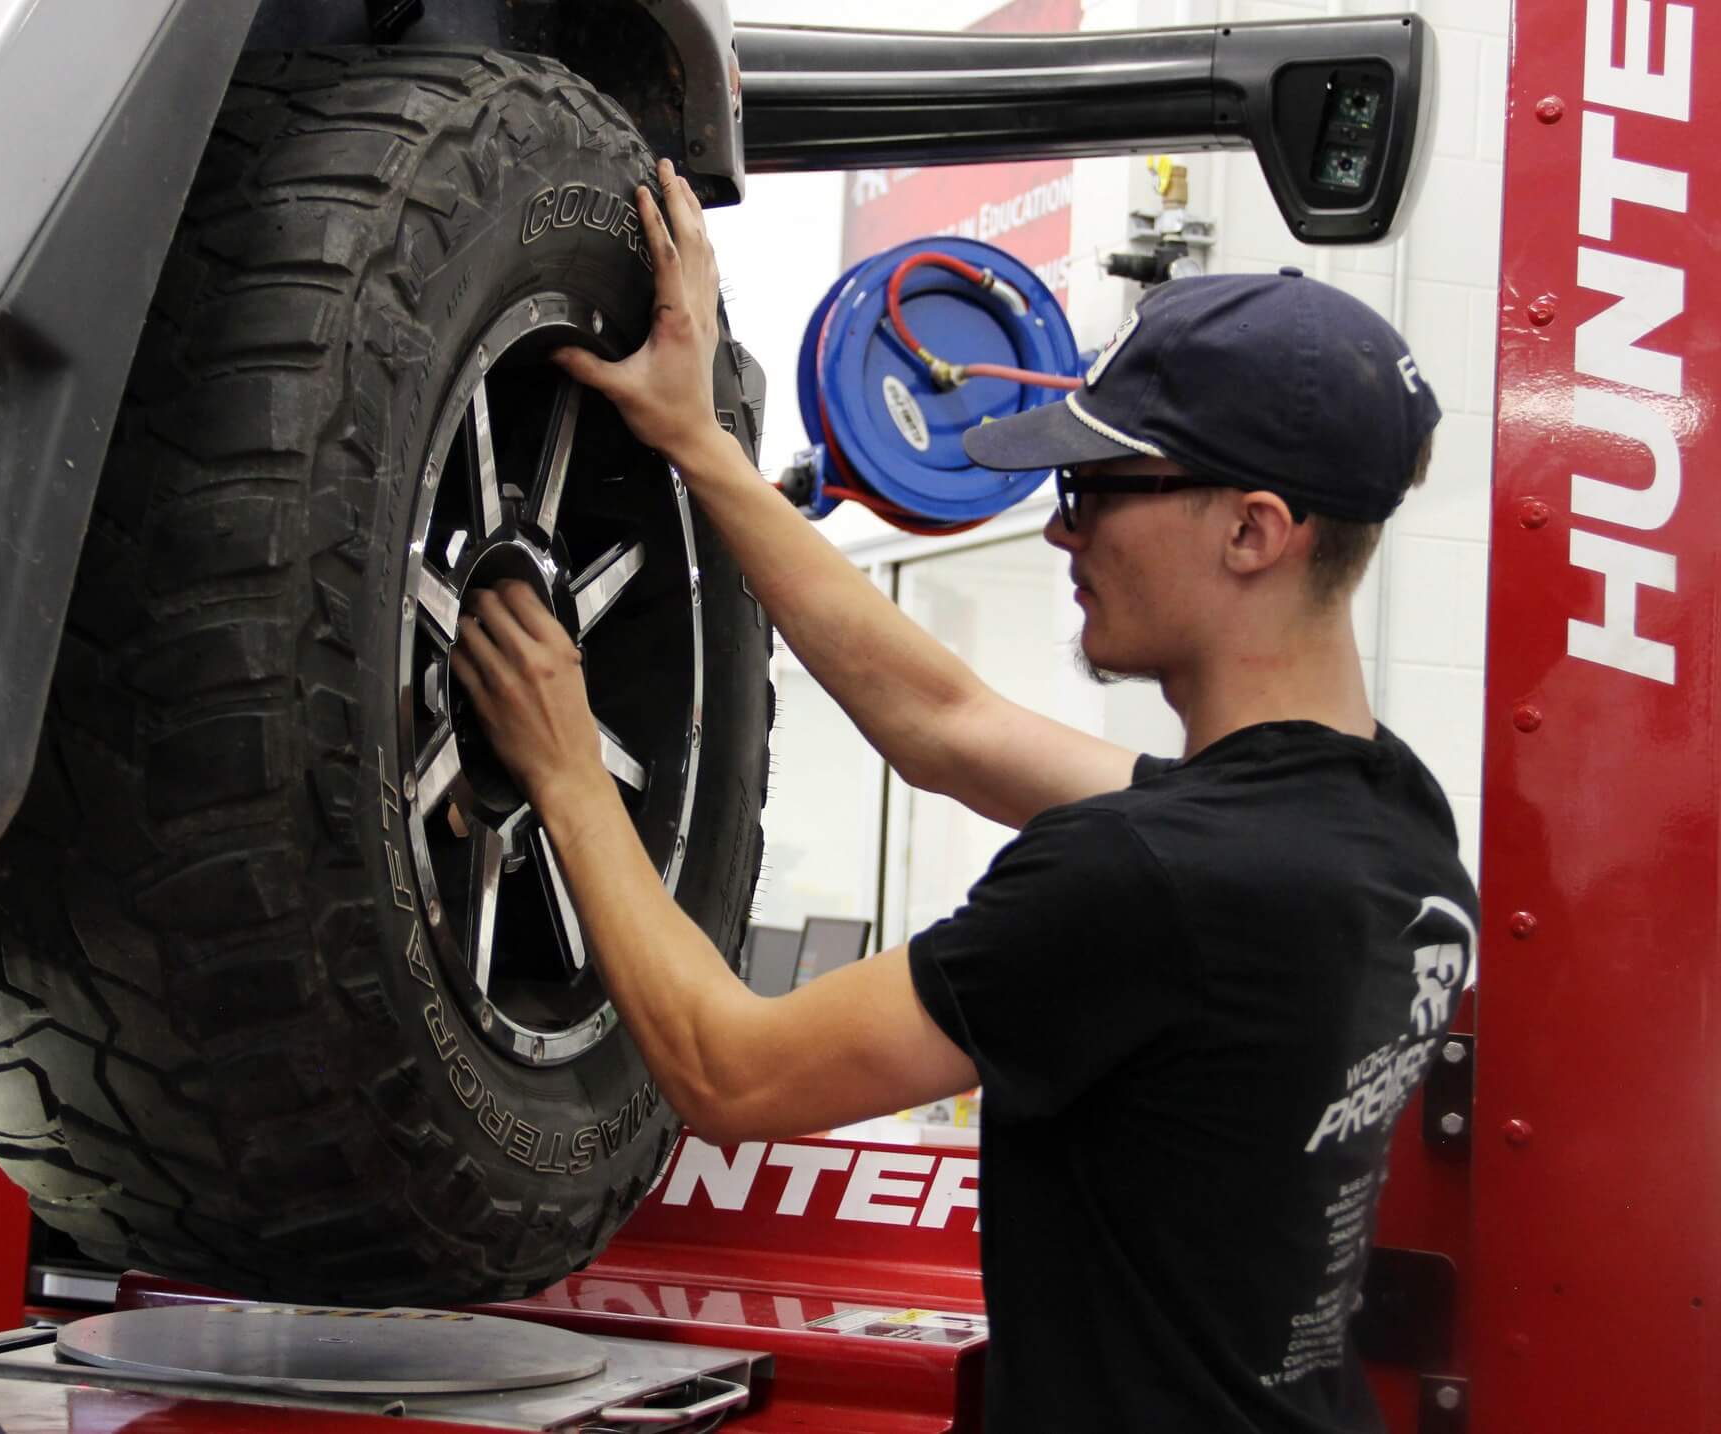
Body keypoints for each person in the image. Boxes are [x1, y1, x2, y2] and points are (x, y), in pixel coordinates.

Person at [448, 158, 1478, 1433]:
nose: (1062, 533)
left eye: (1097, 490)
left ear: (1252, 531)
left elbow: (729, 1069)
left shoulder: (1148, 881)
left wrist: (560, 764)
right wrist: (695, 445)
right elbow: (945, 726)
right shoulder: (1386, 823)